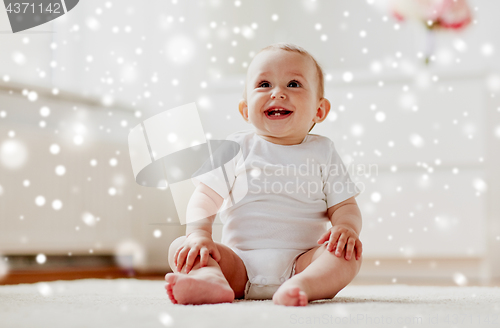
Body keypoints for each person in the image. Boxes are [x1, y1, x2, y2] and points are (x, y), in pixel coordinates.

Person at [165, 43, 363, 306]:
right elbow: (204, 199)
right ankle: (212, 280)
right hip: (238, 264)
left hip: (303, 262)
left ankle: (305, 285)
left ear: (319, 109)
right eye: (264, 84)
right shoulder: (234, 148)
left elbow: (345, 205)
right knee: (181, 247)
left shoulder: (323, 151)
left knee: (349, 255)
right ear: (246, 110)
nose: (278, 93)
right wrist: (199, 235)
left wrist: (346, 228)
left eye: (293, 84)